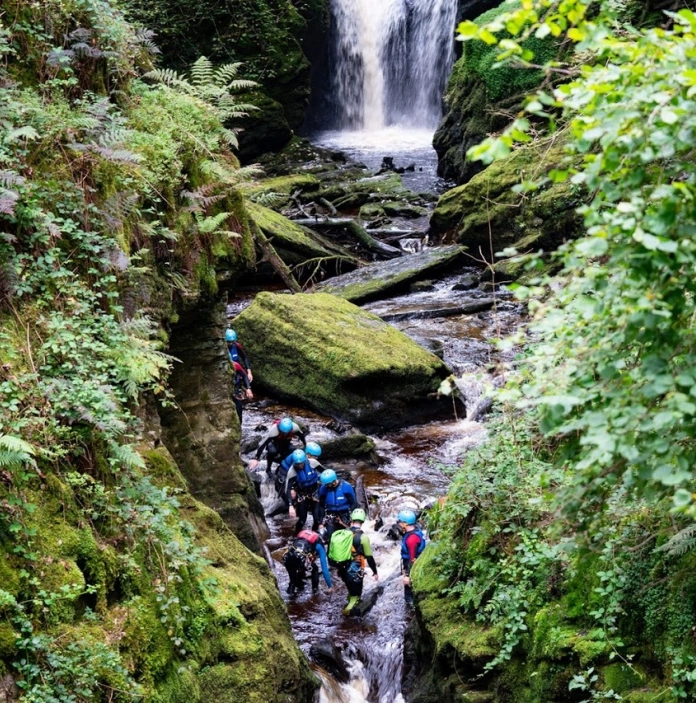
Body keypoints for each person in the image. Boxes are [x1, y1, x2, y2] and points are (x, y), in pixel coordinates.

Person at [328, 508, 378, 615]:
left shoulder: (344, 533)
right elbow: (369, 557)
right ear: (363, 521)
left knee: (350, 589)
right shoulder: (363, 537)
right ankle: (348, 611)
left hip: (342, 567)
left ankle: (349, 600)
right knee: (356, 594)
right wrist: (375, 571)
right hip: (355, 569)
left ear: (351, 519)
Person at [282, 528, 333, 596]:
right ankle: (315, 591)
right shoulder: (319, 543)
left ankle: (290, 597)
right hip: (300, 559)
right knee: (315, 569)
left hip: (288, 557)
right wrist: (330, 586)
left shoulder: (304, 533)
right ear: (324, 539)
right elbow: (324, 569)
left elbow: (299, 547)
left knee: (293, 580)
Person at [284, 449, 321, 534]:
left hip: (315, 494)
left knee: (317, 519)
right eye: (297, 464)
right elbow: (287, 489)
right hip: (302, 496)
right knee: (302, 520)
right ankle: (296, 536)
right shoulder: (292, 471)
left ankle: (314, 537)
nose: (300, 465)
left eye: (301, 463)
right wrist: (290, 506)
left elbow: (325, 472)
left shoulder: (312, 463)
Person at [317, 469, 357, 539]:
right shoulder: (323, 489)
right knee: (330, 538)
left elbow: (353, 504)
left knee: (345, 538)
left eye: (327, 484)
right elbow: (321, 506)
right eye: (325, 484)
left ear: (333, 481)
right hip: (331, 515)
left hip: (345, 515)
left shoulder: (346, 487)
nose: (326, 486)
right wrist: (320, 523)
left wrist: (352, 520)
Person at [398, 509, 426, 606]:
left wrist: (408, 576)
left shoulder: (412, 539)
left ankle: (411, 608)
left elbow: (412, 559)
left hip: (413, 566)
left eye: (400, 522)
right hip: (413, 564)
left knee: (409, 595)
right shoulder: (416, 531)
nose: (399, 524)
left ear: (405, 524)